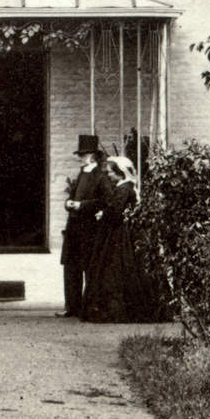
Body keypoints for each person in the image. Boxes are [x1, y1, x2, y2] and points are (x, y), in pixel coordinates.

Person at [88, 153, 145, 322]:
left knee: (116, 271)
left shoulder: (124, 188)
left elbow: (116, 211)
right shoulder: (124, 187)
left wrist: (102, 214)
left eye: (111, 172)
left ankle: (118, 311)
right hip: (118, 233)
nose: (109, 175)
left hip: (121, 235)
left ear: (120, 172)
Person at [60, 134, 109, 316]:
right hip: (73, 228)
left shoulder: (100, 177)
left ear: (92, 156)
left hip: (89, 229)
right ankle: (72, 306)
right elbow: (72, 195)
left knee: (89, 267)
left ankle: (89, 307)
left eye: (83, 154)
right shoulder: (81, 174)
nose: (80, 158)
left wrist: (82, 205)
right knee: (71, 267)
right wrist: (69, 203)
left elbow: (105, 201)